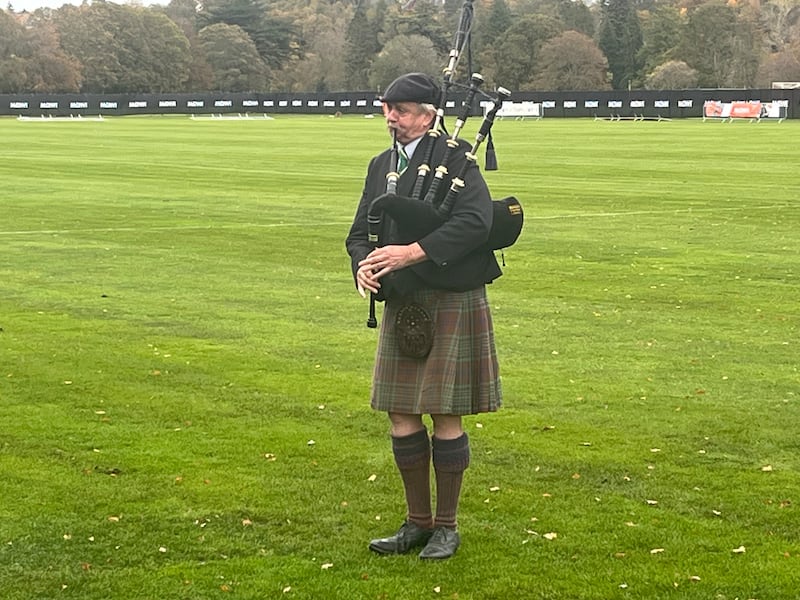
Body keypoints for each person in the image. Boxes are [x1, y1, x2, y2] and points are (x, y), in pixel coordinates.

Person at [345, 72, 503, 560]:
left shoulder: (456, 160)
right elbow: (359, 232)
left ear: (429, 116)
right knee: (401, 412)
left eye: (403, 110)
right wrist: (362, 267)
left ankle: (446, 528)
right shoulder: (381, 165)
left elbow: (476, 222)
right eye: (387, 109)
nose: (392, 118)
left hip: (450, 296)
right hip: (403, 300)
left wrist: (412, 252)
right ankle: (417, 523)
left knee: (445, 410)